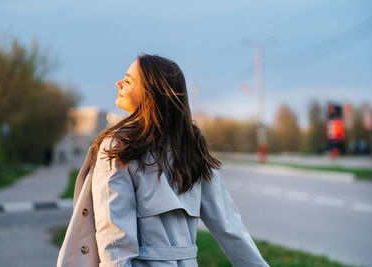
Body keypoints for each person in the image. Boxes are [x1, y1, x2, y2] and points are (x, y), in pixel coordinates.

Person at [57, 54, 270, 267]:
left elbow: (114, 238)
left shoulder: (118, 147)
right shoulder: (191, 148)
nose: (118, 83)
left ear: (149, 95)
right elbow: (230, 228)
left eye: (128, 80)